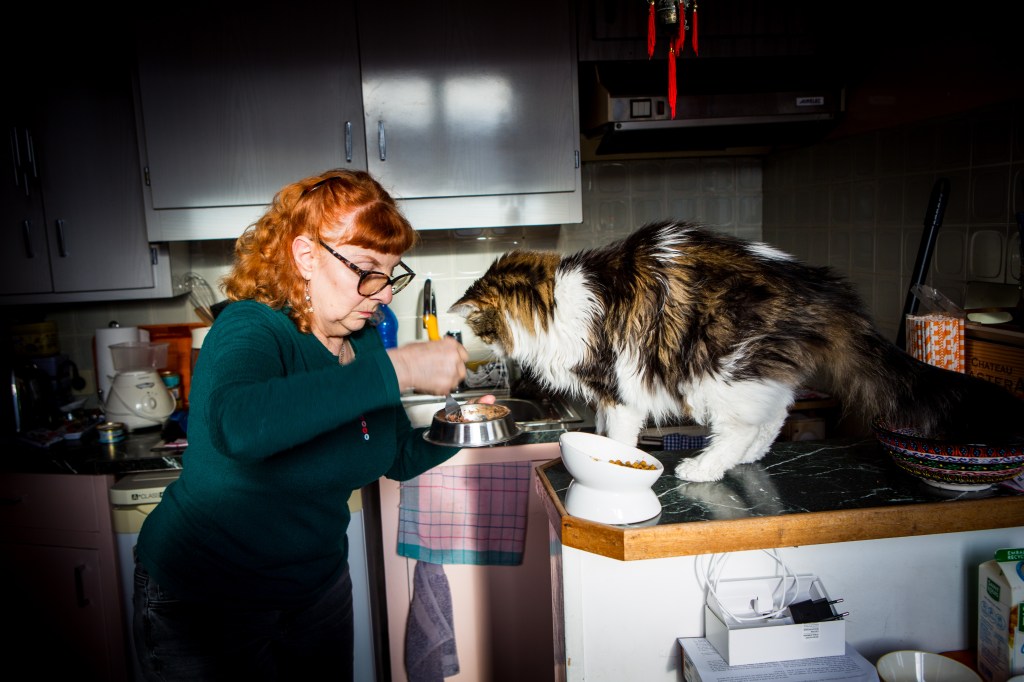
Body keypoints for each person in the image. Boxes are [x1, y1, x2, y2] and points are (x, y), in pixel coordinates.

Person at [132, 169, 489, 681]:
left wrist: (463, 424)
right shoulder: (251, 327)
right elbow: (242, 426)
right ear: (305, 256)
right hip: (206, 600)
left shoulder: (359, 339)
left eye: (390, 273)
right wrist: (400, 368)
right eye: (367, 269)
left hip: (315, 591)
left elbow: (391, 454)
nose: (384, 293)